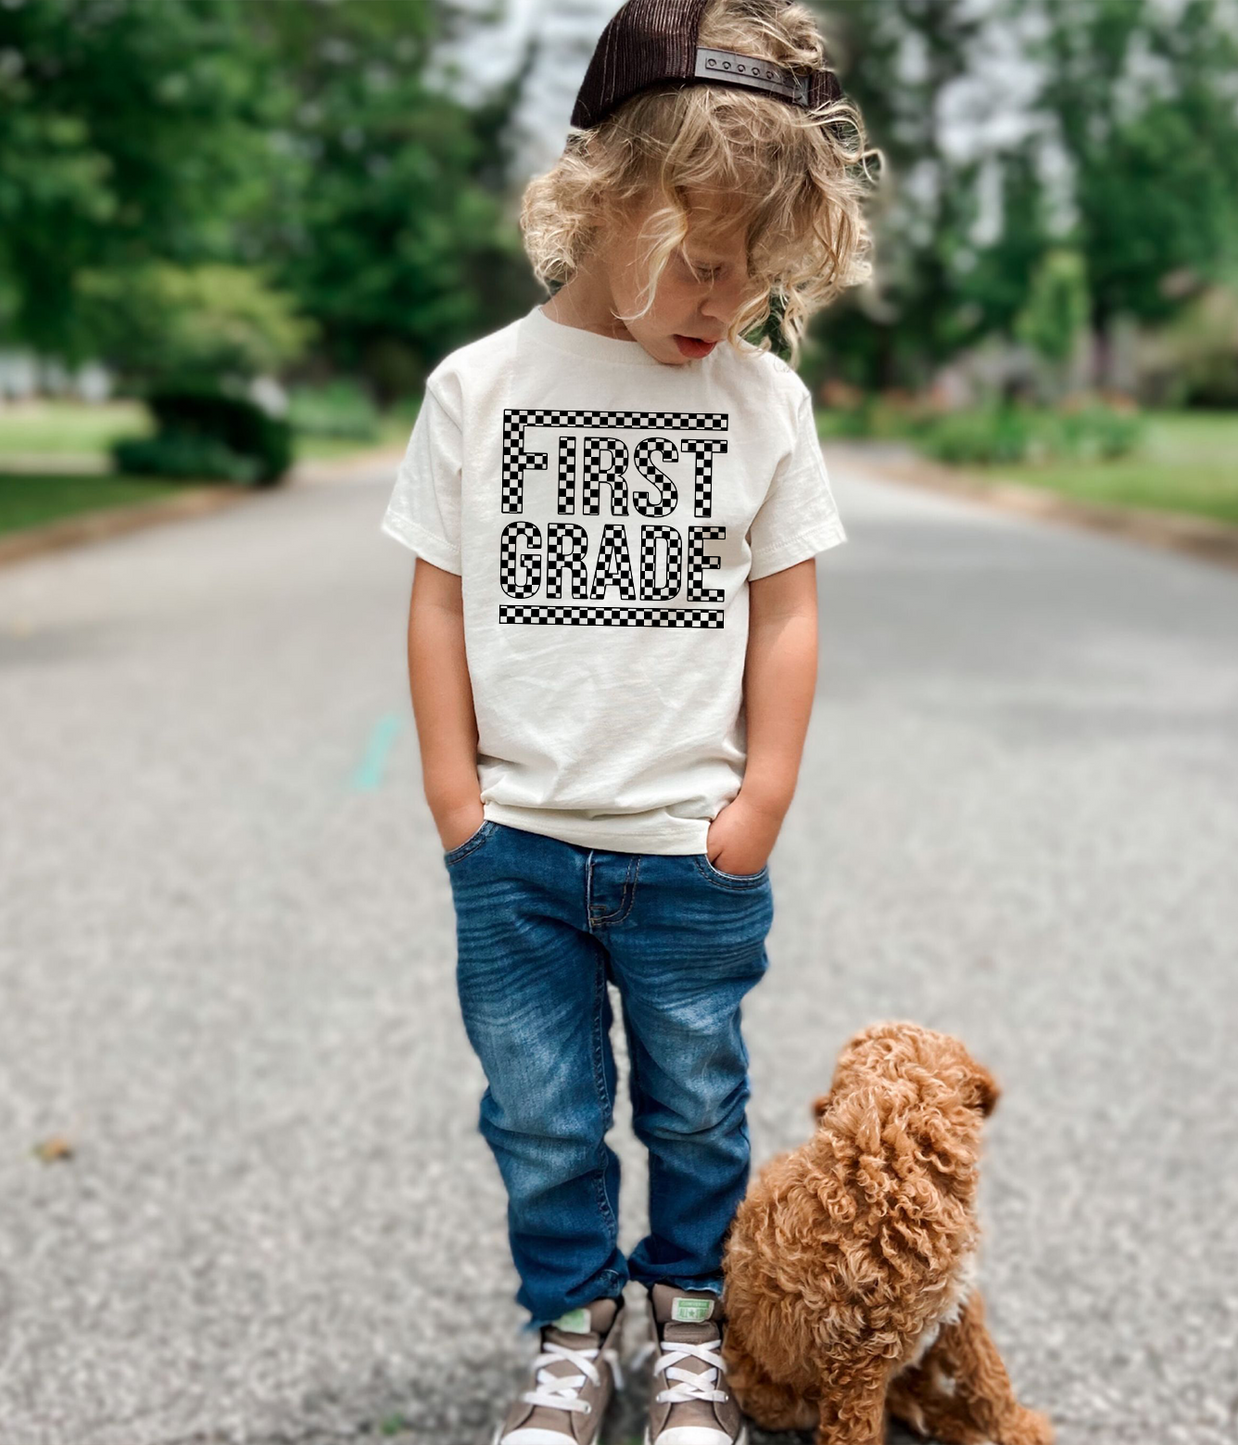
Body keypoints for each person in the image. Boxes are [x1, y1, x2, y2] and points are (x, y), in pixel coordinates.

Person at [381, 2, 878, 1440]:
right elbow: (434, 600)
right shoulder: (480, 389)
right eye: (704, 260)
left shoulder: (762, 400)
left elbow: (786, 610)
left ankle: (692, 1333)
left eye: (756, 273)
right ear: (602, 196)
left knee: (699, 1114)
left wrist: (761, 803)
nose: (724, 301)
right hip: (518, 845)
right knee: (539, 1117)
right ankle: (577, 1325)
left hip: (686, 848)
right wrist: (452, 796)